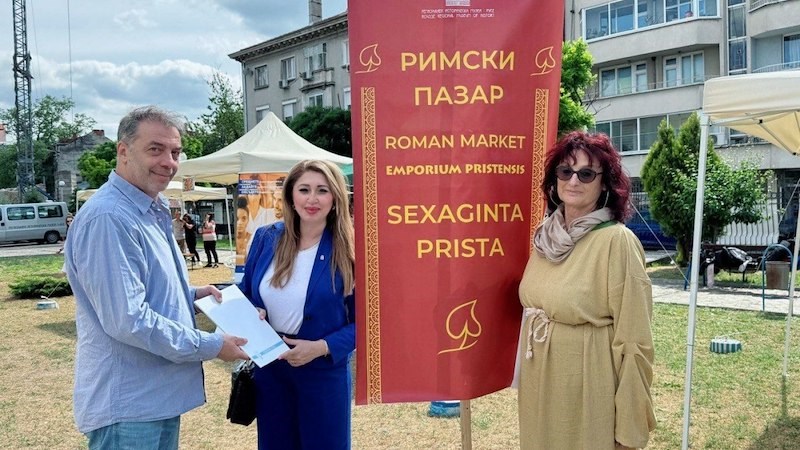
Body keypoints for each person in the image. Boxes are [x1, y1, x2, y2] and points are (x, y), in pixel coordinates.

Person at [63, 105, 248, 449]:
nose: (169, 162)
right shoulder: (110, 217)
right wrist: (212, 345)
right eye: (155, 149)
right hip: (130, 407)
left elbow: (143, 290)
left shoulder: (148, 209)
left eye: (175, 152)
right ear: (123, 151)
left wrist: (192, 296)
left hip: (153, 399)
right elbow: (129, 320)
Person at [516, 131, 656, 450]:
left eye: (586, 173)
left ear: (605, 183)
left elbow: (635, 341)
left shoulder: (617, 242)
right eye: (566, 171)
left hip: (588, 386)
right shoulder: (544, 237)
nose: (573, 181)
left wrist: (629, 427)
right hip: (539, 384)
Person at [239, 159, 355, 449]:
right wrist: (252, 310)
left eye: (322, 190)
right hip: (270, 368)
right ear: (291, 195)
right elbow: (245, 293)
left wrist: (321, 347)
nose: (312, 199)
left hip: (322, 372)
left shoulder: (352, 249)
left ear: (335, 198)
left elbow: (371, 321)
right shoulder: (266, 238)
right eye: (304, 189)